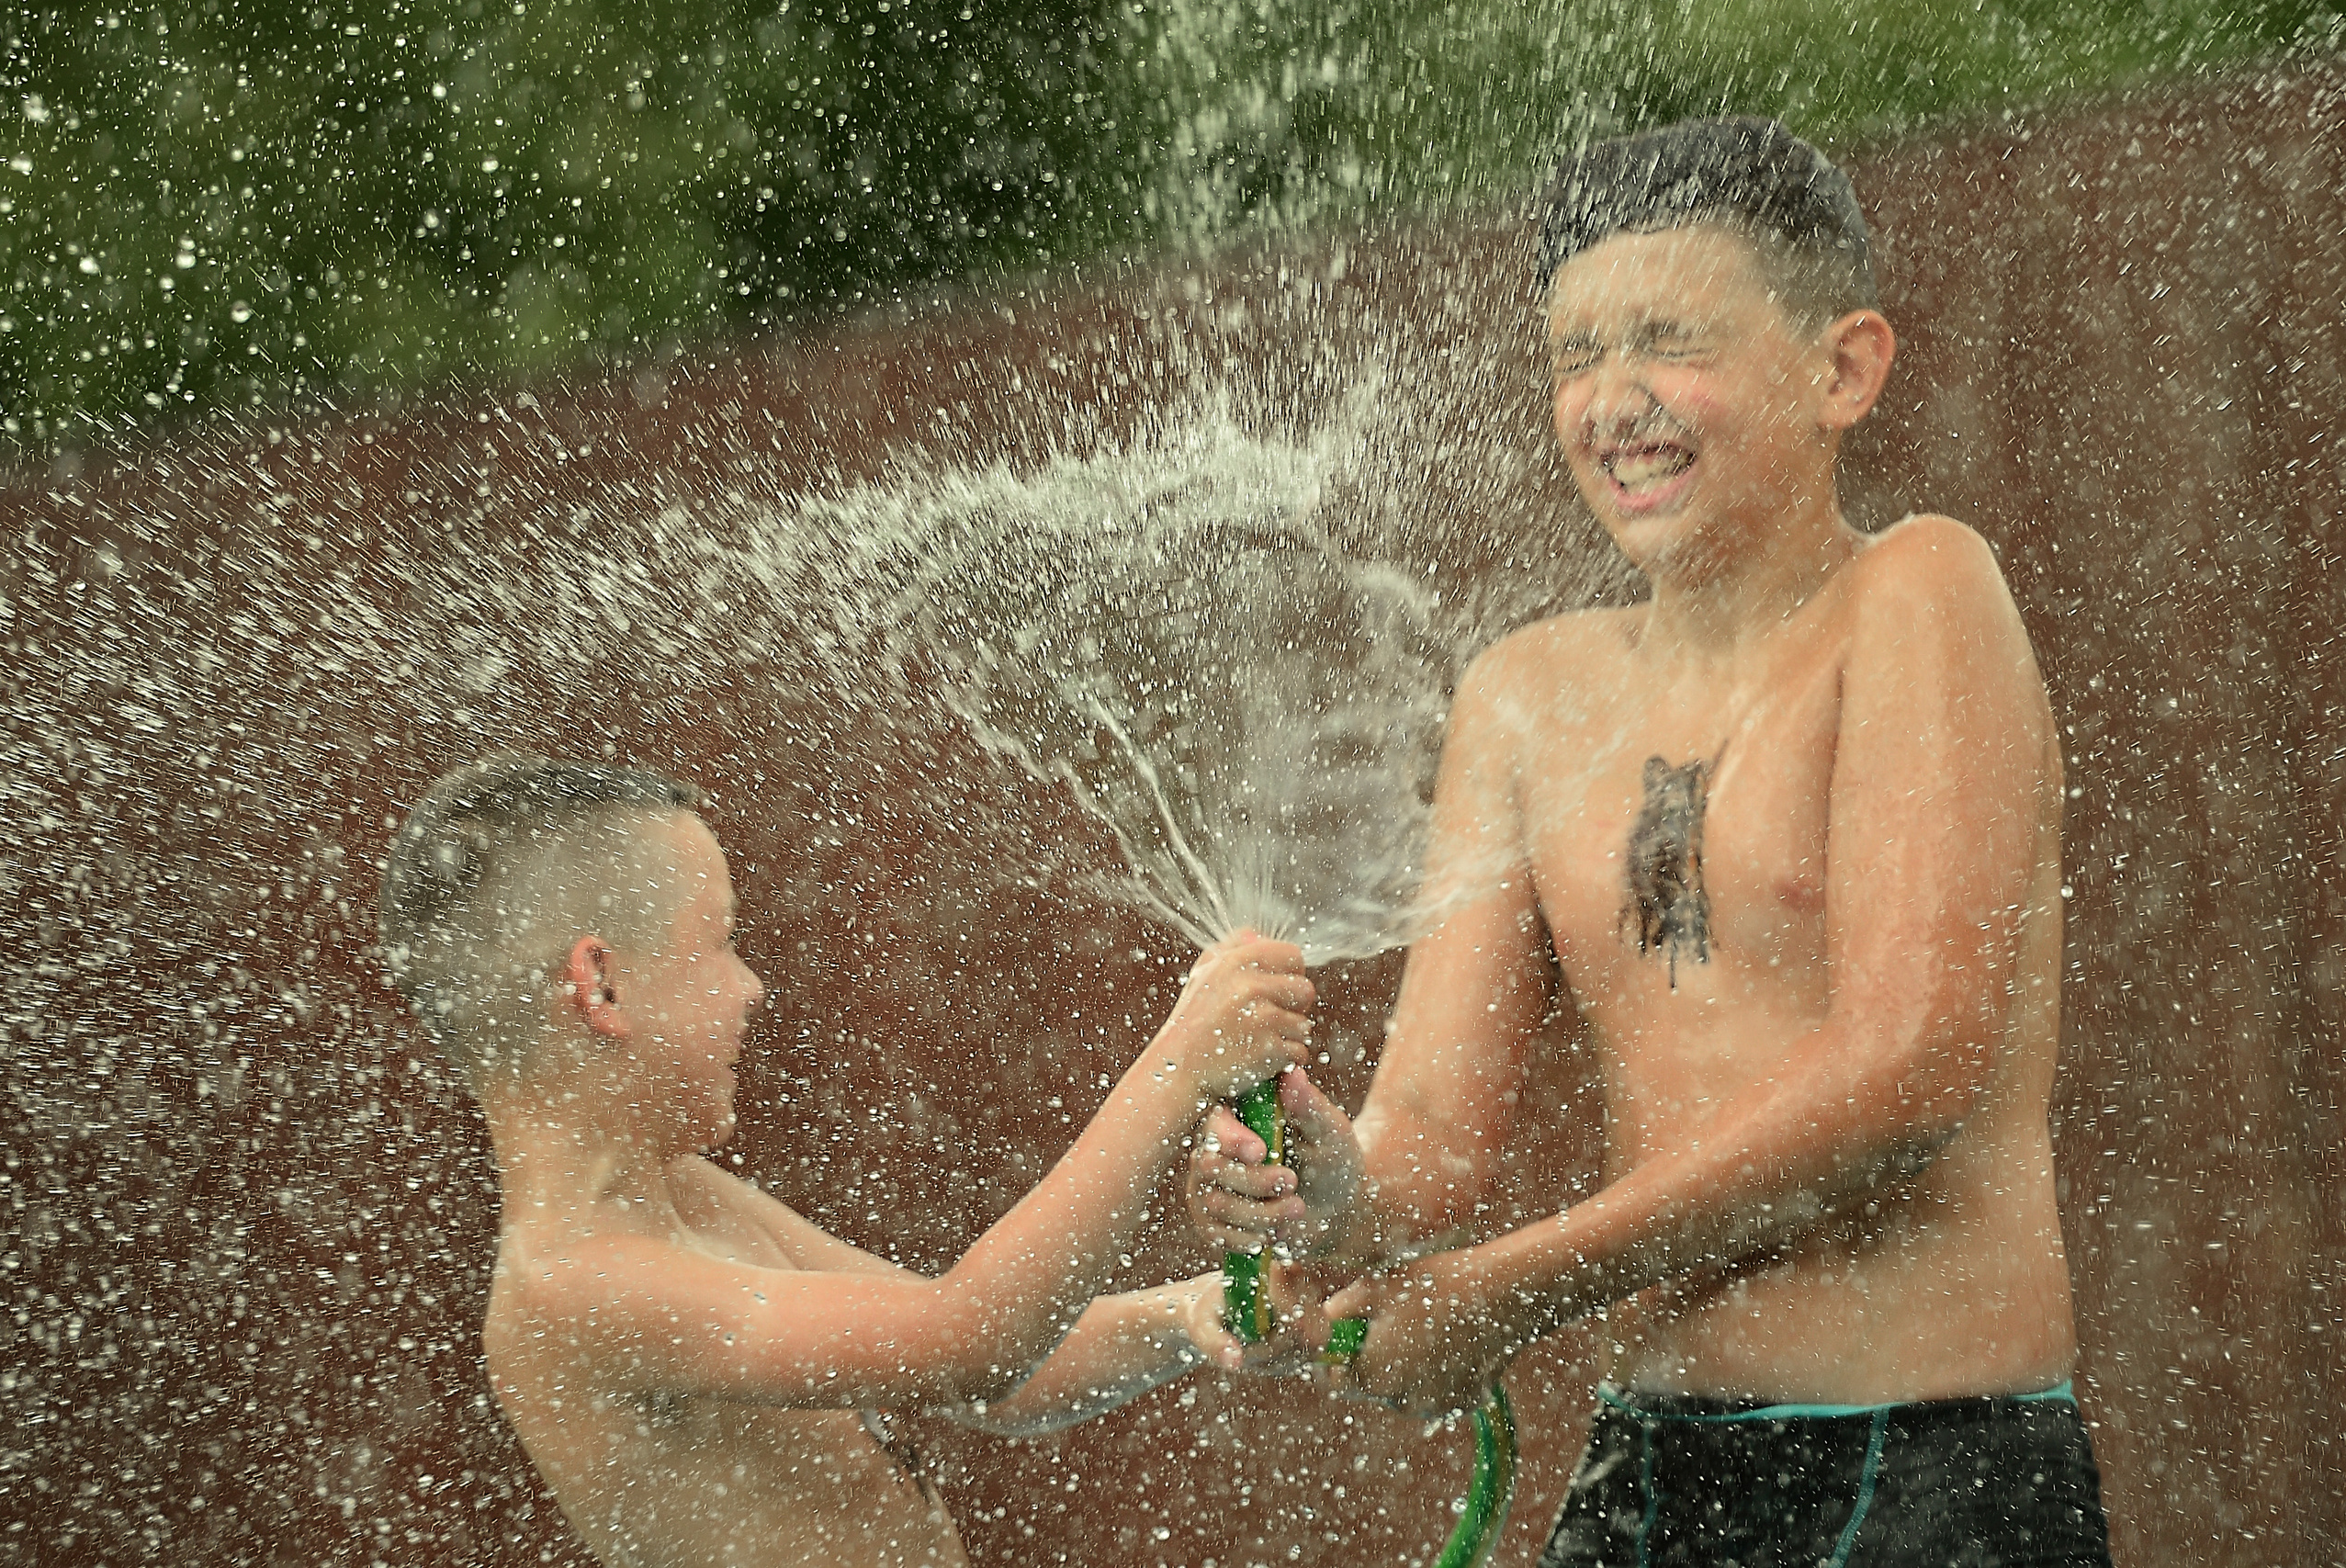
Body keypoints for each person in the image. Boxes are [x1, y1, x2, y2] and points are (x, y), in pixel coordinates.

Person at [1187, 117, 2114, 1566]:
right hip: (1655, 1463)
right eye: (1574, 357)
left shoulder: (1920, 593)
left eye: (1668, 342)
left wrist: (1502, 1291)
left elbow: (1910, 1071)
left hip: (1930, 1458)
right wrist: (1332, 1179)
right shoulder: (1525, 695)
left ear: (1843, 368)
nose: (1614, 402)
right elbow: (1430, 1129)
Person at [379, 753, 1314, 1568]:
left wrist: (1184, 1316)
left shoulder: (688, 1202)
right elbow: (972, 1343)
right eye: (719, 940)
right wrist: (1178, 1063)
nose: (751, 987)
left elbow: (1006, 1374)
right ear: (602, 986)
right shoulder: (573, 1293)